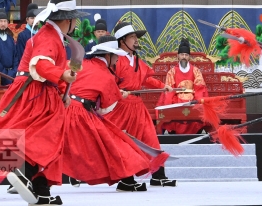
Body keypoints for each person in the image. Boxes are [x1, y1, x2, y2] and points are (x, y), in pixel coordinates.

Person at [0, 0, 87, 205]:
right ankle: (24, 175)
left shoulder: (52, 35)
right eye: (75, 19)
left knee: (46, 138)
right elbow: (43, 64)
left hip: (42, 90)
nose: (76, 24)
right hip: (35, 90)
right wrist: (62, 74)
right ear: (67, 20)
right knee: (40, 137)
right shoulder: (48, 36)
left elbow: (50, 67)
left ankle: (41, 190)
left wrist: (64, 85)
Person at [63, 35, 151, 192]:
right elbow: (105, 108)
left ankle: (27, 176)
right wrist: (119, 94)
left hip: (64, 108)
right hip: (80, 114)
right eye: (116, 55)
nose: (117, 60)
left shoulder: (82, 63)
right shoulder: (106, 75)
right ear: (108, 56)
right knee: (114, 142)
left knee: (47, 144)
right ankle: (127, 180)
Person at [104, 22, 177, 187]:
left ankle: (158, 175)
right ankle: (126, 179)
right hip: (120, 107)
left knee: (150, 139)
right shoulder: (116, 59)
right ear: (122, 41)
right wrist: (117, 92)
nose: (136, 40)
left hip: (137, 105)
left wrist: (162, 86)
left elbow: (146, 79)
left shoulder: (136, 59)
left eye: (136, 37)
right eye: (132, 37)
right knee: (122, 141)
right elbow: (107, 82)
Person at [156, 38, 208, 134]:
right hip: (177, 99)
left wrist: (198, 102)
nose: (184, 57)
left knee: (196, 108)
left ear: (189, 57)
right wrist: (168, 105)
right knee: (174, 106)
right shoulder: (172, 72)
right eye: (182, 54)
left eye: (186, 55)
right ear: (178, 56)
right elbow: (169, 90)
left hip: (192, 99)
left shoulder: (195, 71)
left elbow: (200, 88)